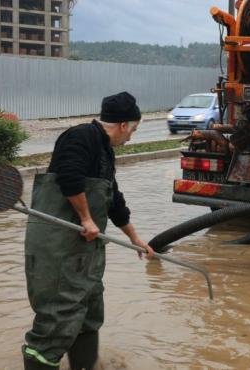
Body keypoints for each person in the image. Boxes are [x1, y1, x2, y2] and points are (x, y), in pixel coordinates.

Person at [22, 91, 156, 370]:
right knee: (57, 319)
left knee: (89, 312)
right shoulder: (80, 137)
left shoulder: (105, 152)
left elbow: (114, 202)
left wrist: (136, 239)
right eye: (133, 130)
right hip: (58, 250)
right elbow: (69, 178)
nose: (131, 137)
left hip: (85, 253)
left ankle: (85, 366)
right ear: (122, 125)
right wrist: (86, 218)